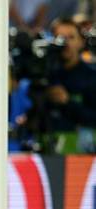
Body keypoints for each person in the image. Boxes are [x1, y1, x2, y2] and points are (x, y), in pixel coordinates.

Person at [46, 18, 96, 153]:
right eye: (60, 38)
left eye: (71, 37)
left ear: (81, 41)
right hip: (43, 151)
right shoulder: (43, 73)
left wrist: (67, 102)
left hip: (82, 155)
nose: (65, 43)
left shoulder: (92, 76)